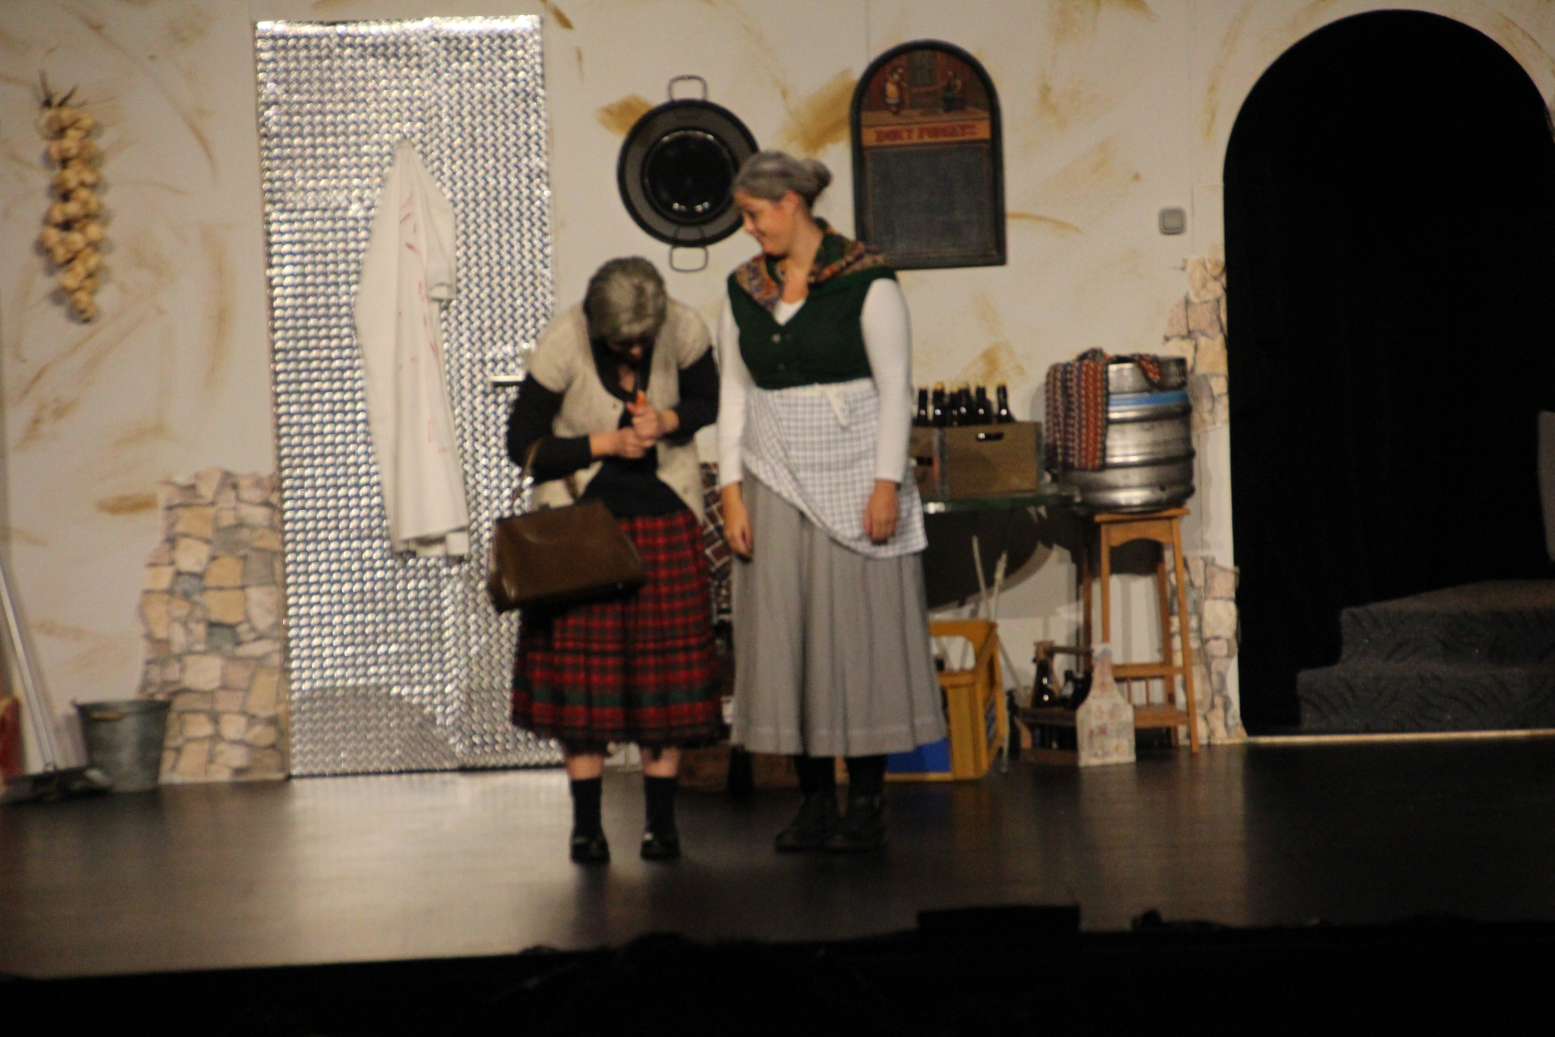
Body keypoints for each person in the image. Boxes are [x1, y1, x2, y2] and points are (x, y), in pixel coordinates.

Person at [716, 152, 946, 853]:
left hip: (853, 478)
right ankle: (814, 800)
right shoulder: (743, 289)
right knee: (789, 636)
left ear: (791, 202)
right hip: (773, 476)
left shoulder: (865, 279)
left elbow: (895, 387)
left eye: (754, 215)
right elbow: (734, 393)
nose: (748, 229)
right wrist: (730, 492)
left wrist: (885, 483)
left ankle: (867, 800)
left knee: (858, 636)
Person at [507, 257, 722, 865]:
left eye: (642, 340)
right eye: (623, 341)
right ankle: (587, 827)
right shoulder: (565, 340)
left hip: (666, 519)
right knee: (584, 691)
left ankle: (661, 825)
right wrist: (606, 443)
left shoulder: (683, 328)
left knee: (665, 685)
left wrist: (668, 420)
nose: (635, 350)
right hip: (582, 529)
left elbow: (709, 401)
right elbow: (522, 444)